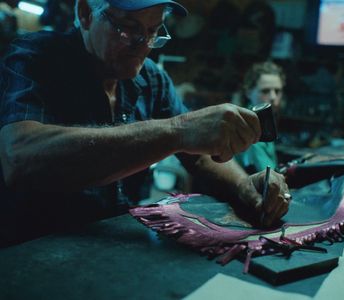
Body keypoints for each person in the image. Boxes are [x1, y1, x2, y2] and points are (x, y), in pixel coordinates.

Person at [0, 0, 290, 247]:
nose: (144, 46)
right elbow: (21, 158)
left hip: (115, 247)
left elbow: (198, 158)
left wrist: (243, 185)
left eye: (153, 31)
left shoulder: (152, 79)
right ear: (86, 13)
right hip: (34, 248)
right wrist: (177, 131)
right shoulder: (36, 57)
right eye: (129, 28)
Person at [234, 61, 285, 173]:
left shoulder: (264, 122)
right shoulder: (249, 128)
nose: (273, 97)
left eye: (277, 91)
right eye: (265, 91)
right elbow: (270, 179)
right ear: (248, 93)